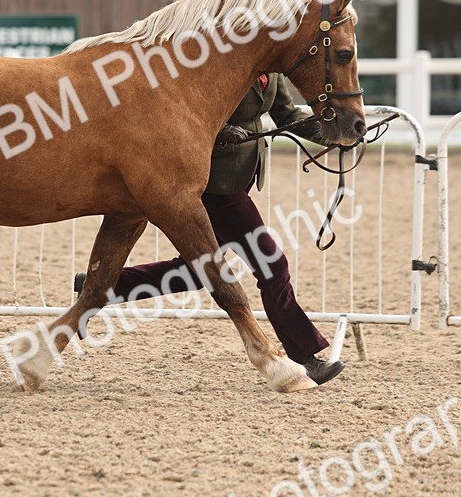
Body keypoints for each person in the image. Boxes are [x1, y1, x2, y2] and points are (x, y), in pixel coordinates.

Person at [74, 73, 346, 385]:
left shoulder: (272, 73)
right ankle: (303, 354)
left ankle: (102, 287)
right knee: (272, 265)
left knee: (195, 271)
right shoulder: (226, 67)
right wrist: (219, 132)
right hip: (216, 187)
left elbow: (288, 115)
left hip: (240, 180)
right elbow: (186, 115)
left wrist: (336, 133)